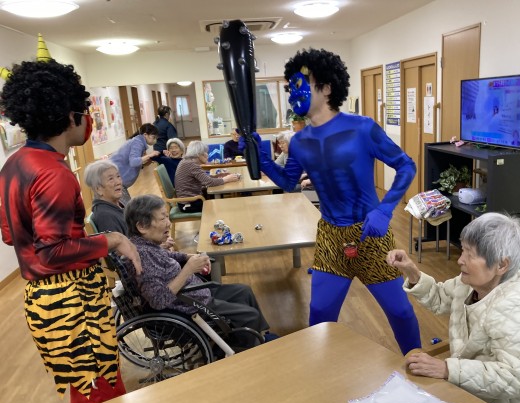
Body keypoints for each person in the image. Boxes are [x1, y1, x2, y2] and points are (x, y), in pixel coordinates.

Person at [257, 48, 421, 354]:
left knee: (400, 312)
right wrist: (262, 157)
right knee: (319, 316)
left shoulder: (362, 128)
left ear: (327, 87)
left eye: (300, 85)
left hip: (371, 236)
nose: (293, 94)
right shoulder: (300, 141)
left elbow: (406, 165)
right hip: (331, 236)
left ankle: (419, 366)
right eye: (290, 88)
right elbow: (289, 182)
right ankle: (321, 374)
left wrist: (385, 209)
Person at [0, 59, 142, 403]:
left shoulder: (14, 164)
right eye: (84, 112)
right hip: (71, 299)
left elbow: (11, 236)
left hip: (42, 298)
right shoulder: (54, 173)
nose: (88, 120)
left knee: (87, 391)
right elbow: (52, 252)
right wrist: (113, 240)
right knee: (101, 398)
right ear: (69, 117)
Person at [386, 212, 520, 403]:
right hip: (477, 395)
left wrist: (447, 369)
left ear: (501, 265)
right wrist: (412, 272)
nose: (460, 260)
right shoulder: (470, 282)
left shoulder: (514, 307)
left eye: (470, 254)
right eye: (463, 249)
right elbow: (440, 298)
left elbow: (515, 377)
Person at [124, 194, 274, 346]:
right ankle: (250, 348)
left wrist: (188, 257)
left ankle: (260, 338)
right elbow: (158, 301)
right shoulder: (142, 256)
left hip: (195, 293)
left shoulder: (145, 245)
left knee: (244, 292)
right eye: (163, 218)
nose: (169, 223)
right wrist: (188, 269)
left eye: (167, 217)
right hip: (189, 307)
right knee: (250, 316)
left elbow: (167, 255)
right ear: (142, 226)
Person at [84, 160, 175, 250]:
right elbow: (120, 253)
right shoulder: (105, 216)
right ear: (98, 189)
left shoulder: (118, 204)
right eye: (111, 179)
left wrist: (156, 239)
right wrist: (157, 247)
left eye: (118, 176)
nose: (118, 182)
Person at [174, 140, 240, 213]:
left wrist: (218, 176)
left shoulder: (187, 162)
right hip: (189, 204)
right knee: (221, 205)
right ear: (198, 154)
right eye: (205, 152)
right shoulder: (191, 165)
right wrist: (226, 179)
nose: (207, 155)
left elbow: (205, 179)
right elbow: (209, 182)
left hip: (190, 201)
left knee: (218, 198)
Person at [110, 123, 160, 204]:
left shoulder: (138, 142)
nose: (155, 140)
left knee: (125, 207)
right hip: (114, 181)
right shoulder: (138, 142)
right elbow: (133, 162)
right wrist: (149, 155)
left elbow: (135, 162)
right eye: (153, 137)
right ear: (145, 135)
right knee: (128, 208)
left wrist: (146, 162)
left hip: (116, 181)